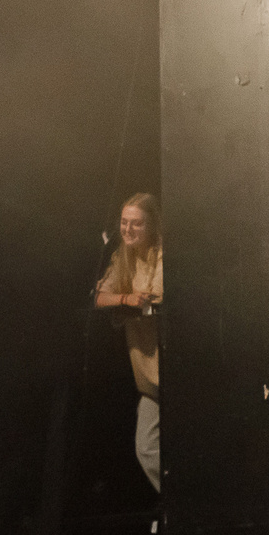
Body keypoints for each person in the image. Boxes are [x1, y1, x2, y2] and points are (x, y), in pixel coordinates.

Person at [94, 193, 163, 491]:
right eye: (124, 222)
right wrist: (125, 299)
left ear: (151, 226)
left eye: (136, 223)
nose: (128, 229)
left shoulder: (163, 254)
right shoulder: (122, 257)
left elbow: (157, 298)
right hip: (148, 377)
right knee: (146, 448)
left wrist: (136, 302)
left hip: (174, 368)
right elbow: (98, 297)